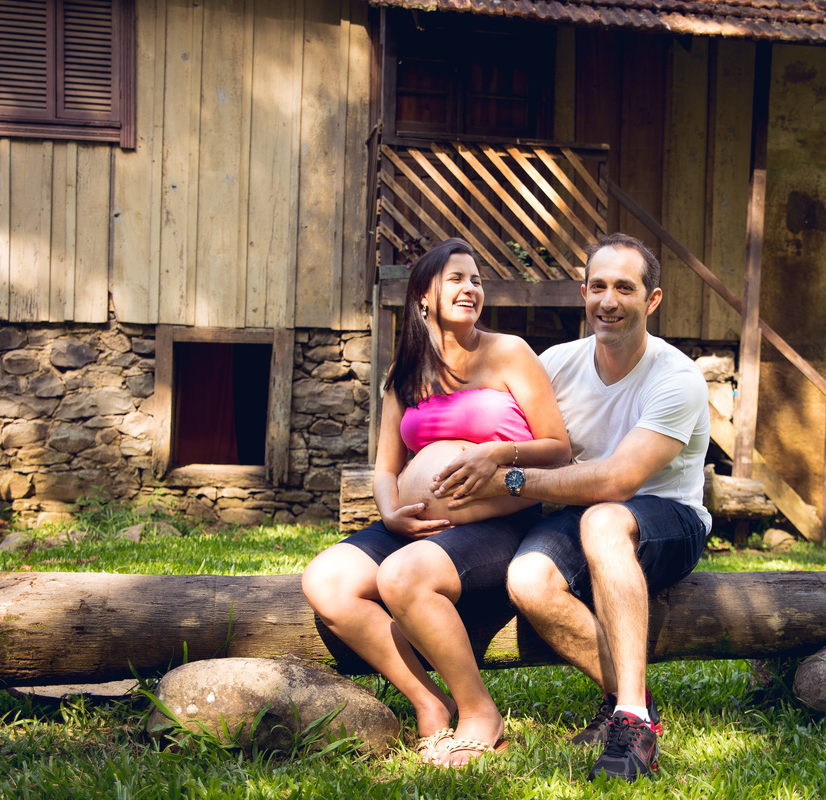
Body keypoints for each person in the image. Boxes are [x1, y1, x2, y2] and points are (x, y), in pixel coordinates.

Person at [432, 232, 712, 782]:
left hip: (667, 514)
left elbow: (618, 480)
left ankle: (630, 722)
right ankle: (633, 701)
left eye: (625, 288)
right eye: (598, 286)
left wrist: (509, 478)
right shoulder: (557, 364)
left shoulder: (677, 377)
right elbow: (503, 428)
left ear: (652, 300)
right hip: (576, 512)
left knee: (605, 518)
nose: (609, 301)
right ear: (583, 293)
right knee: (528, 580)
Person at [301, 238, 570, 767]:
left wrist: (497, 452)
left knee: (400, 578)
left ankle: (480, 713)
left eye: (476, 280)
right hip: (414, 527)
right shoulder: (405, 371)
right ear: (424, 295)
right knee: (325, 582)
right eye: (456, 279)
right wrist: (389, 511)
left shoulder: (509, 352)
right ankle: (429, 703)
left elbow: (558, 449)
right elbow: (386, 466)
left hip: (501, 522)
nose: (470, 288)